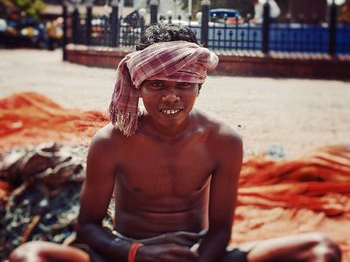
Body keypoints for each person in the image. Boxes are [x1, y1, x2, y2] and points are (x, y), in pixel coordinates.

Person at [10, 24, 341, 262]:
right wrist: (138, 253)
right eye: (156, 84)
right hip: (129, 253)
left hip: (196, 255)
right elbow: (88, 227)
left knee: (321, 249)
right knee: (29, 255)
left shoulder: (223, 141)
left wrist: (199, 259)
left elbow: (220, 231)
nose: (170, 96)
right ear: (138, 86)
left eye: (183, 84)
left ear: (200, 86)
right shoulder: (111, 142)